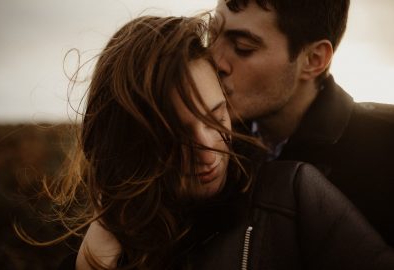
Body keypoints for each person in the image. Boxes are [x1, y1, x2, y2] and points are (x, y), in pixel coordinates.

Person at [48, 14, 394, 269]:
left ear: (314, 60)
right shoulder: (97, 247)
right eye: (175, 135)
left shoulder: (293, 195)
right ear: (131, 142)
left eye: (216, 116)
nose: (207, 150)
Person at [212, 0, 394, 246]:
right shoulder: (199, 138)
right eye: (211, 34)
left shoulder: (385, 149)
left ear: (314, 59)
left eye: (243, 47)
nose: (214, 59)